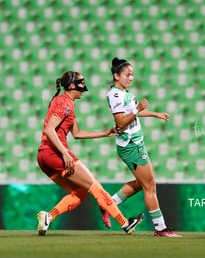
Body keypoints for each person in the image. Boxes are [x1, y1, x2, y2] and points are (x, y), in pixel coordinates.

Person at [36, 71, 144, 236]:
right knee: (95, 187)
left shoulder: (66, 103)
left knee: (79, 193)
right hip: (54, 153)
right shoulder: (65, 103)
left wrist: (106, 132)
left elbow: (77, 133)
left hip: (44, 157)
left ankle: (48, 217)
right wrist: (65, 153)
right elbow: (49, 130)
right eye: (80, 81)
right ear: (72, 85)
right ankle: (125, 223)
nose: (83, 85)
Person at [100, 57, 182, 237]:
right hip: (131, 146)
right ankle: (160, 229)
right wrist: (137, 108)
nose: (130, 78)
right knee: (150, 185)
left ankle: (108, 204)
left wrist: (155, 114)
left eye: (132, 75)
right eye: (127, 75)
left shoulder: (124, 92)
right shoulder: (115, 95)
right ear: (116, 75)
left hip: (135, 143)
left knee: (141, 183)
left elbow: (133, 113)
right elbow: (121, 122)